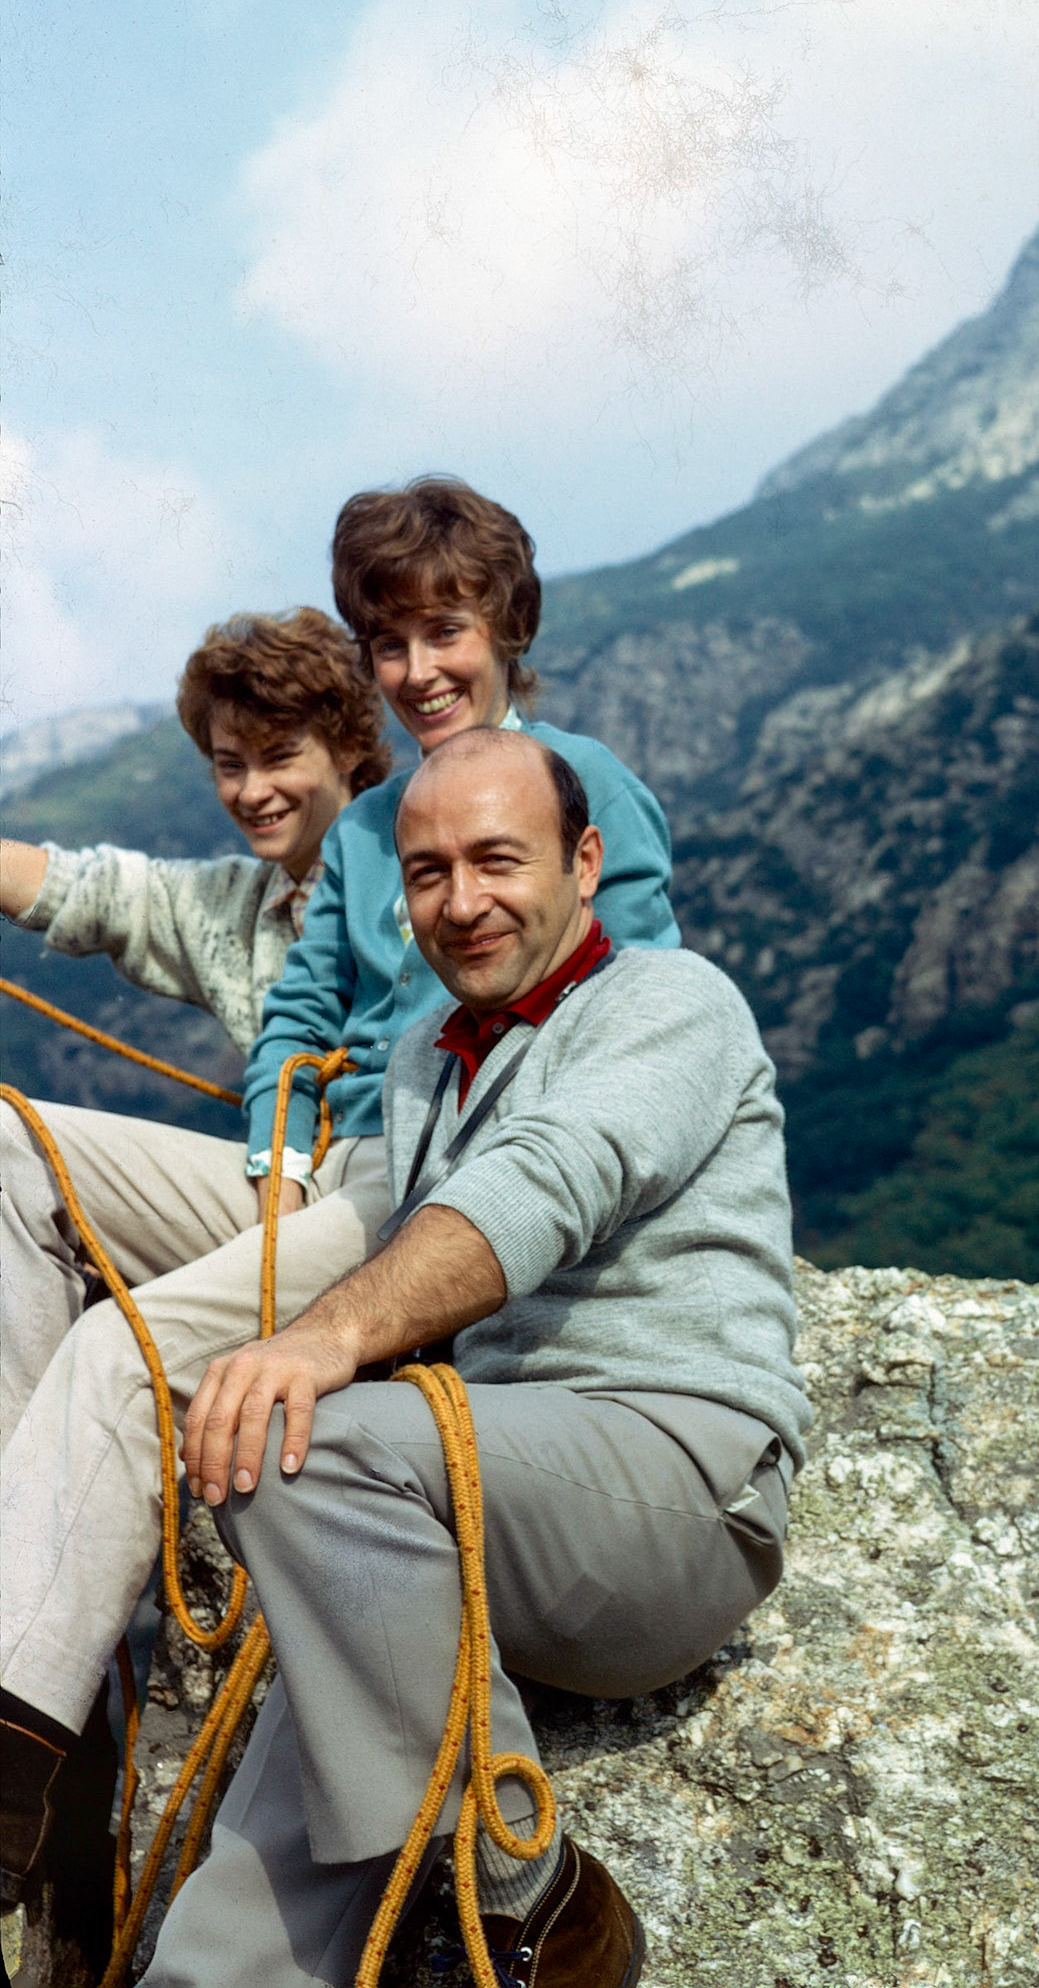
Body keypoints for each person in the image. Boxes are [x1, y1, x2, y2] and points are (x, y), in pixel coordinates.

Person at [0, 481, 680, 1921]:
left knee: (125, 1356)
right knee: (11, 1146)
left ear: (508, 628)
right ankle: (21, 1574)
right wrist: (275, 1161)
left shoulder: (576, 783)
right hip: (324, 1176)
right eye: (390, 642)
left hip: (434, 1172)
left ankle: (6, 1770)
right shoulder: (366, 830)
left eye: (448, 631)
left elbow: (636, 988)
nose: (420, 668)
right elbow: (300, 1015)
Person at [141, 728, 810, 1988]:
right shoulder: (423, 1055)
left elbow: (547, 1180)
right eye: (428, 871)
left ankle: (530, 1891)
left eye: (498, 860)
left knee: (300, 1450)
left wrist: (324, 1334)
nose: (461, 901)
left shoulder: (671, 998)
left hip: (677, 1480)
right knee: (251, 1888)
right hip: (476, 1497)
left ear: (585, 861)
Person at [0, 606, 391, 1441]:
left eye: (279, 756)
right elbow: (97, 891)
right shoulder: (234, 907)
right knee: (9, 1140)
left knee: (117, 1344)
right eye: (229, 764)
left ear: (348, 747)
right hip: (283, 1197)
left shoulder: (423, 865)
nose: (251, 791)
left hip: (395, 1209)